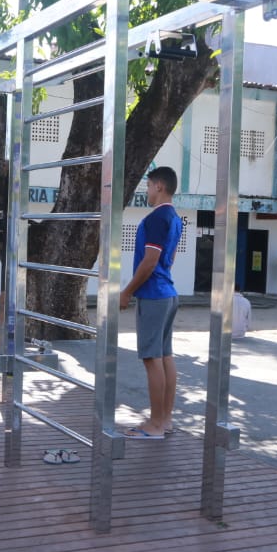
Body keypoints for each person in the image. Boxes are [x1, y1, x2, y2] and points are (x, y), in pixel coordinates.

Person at [118, 167, 183, 439]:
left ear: (159, 186)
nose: (146, 191)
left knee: (151, 359)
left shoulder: (157, 217)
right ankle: (165, 420)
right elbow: (170, 259)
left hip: (155, 295)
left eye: (148, 185)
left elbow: (150, 261)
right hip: (168, 292)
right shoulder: (175, 217)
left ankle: (155, 425)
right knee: (165, 356)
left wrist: (127, 291)